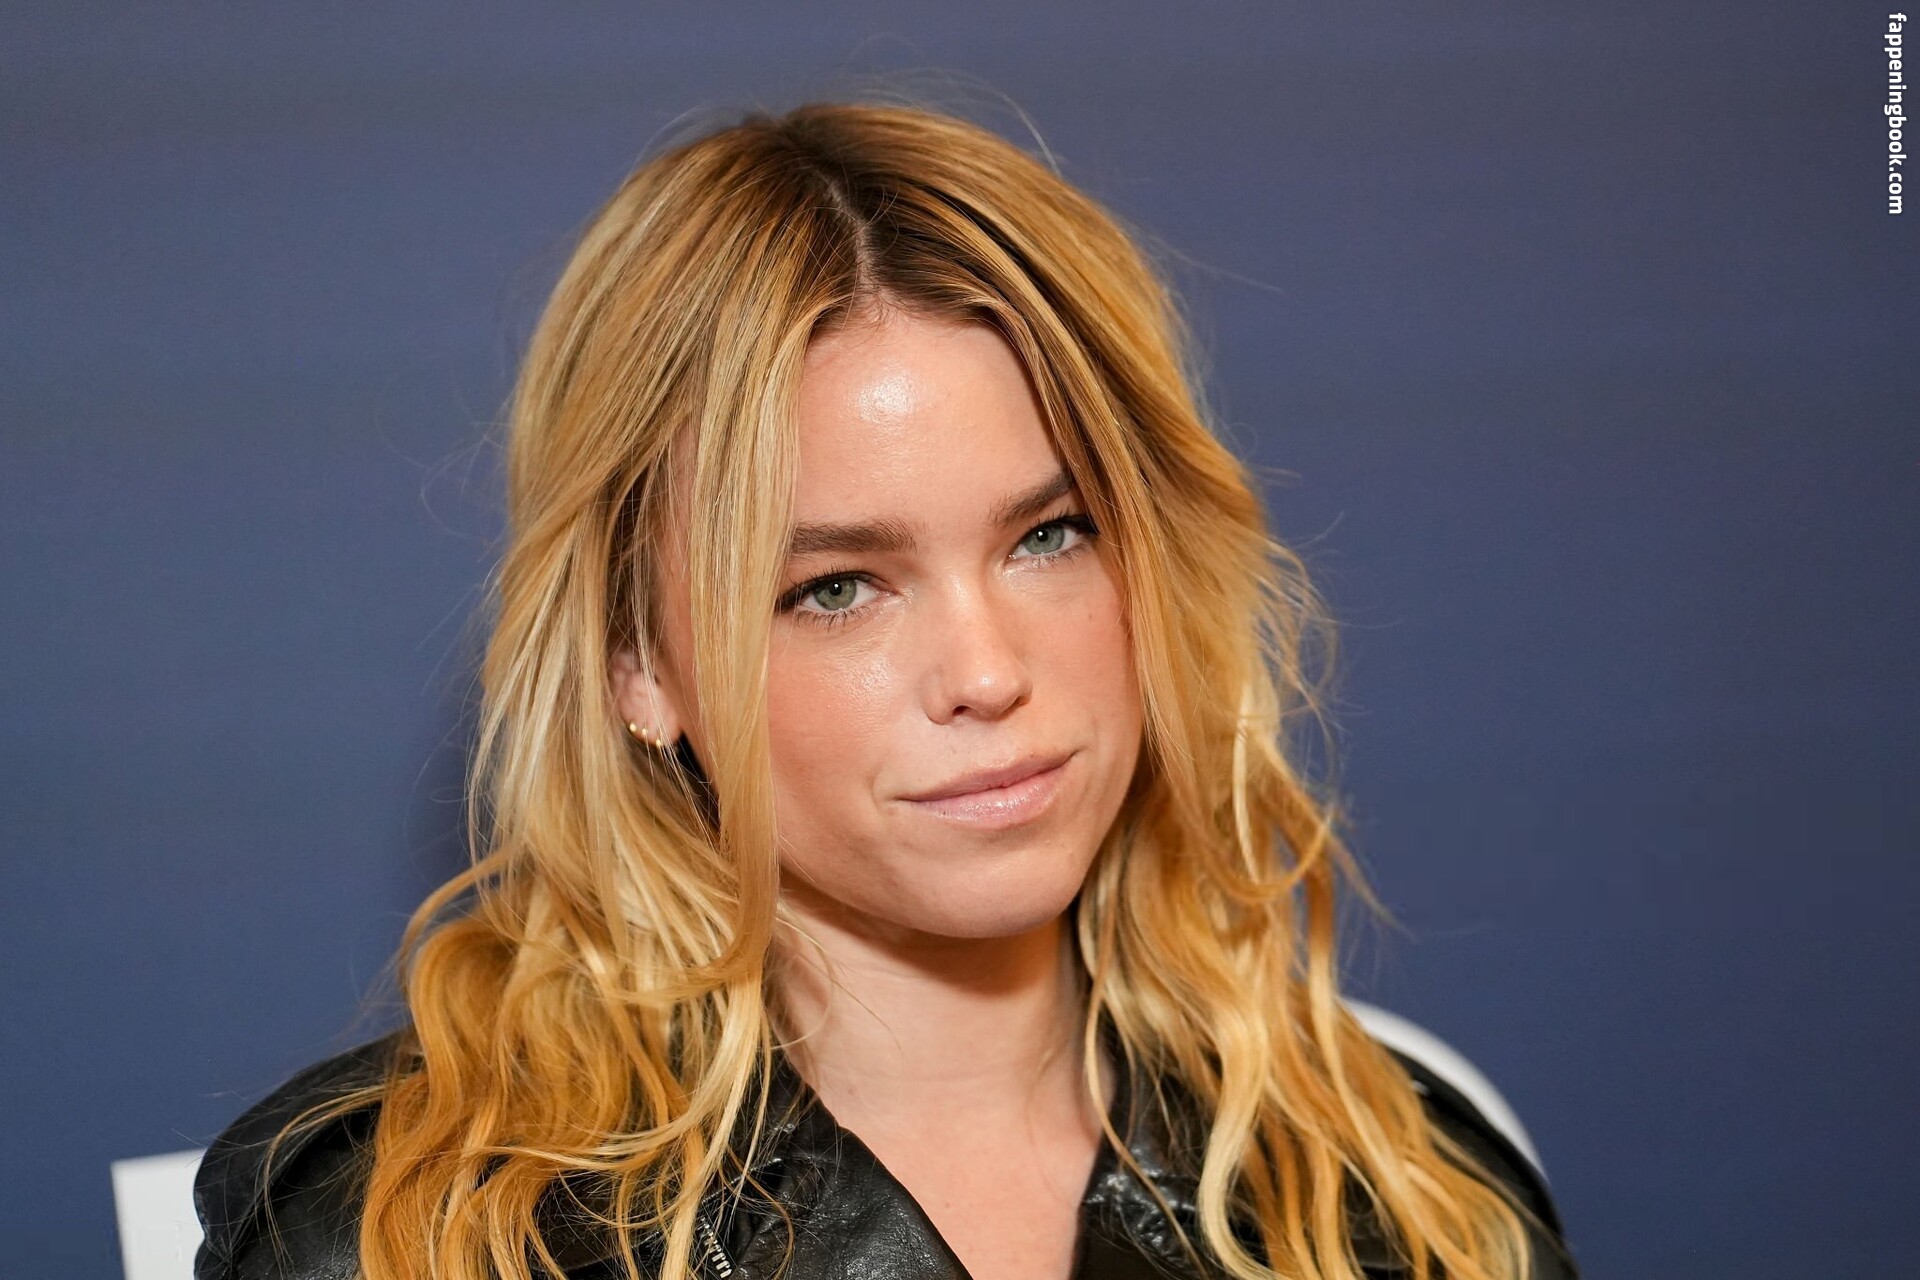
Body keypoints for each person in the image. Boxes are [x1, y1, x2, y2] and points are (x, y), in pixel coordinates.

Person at [192, 100, 1581, 1280]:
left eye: (1054, 535)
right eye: (837, 588)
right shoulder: (408, 1231)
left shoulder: (1401, 1189)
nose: (987, 673)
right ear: (638, 665)